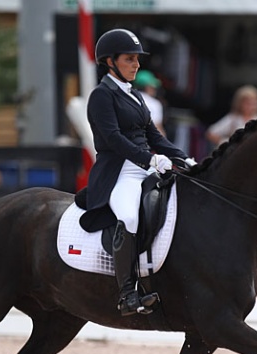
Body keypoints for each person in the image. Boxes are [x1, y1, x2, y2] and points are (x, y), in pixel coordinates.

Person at [80, 28, 196, 316]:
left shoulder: (134, 96)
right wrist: (150, 161)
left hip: (145, 167)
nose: (136, 64)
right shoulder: (101, 96)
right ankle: (127, 293)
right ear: (110, 62)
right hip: (119, 172)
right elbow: (113, 139)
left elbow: (154, 136)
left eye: (136, 59)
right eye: (130, 59)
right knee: (129, 216)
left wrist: (184, 158)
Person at [133, 69, 166, 136]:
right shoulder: (154, 103)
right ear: (147, 87)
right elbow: (158, 129)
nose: (155, 89)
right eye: (153, 86)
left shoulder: (127, 98)